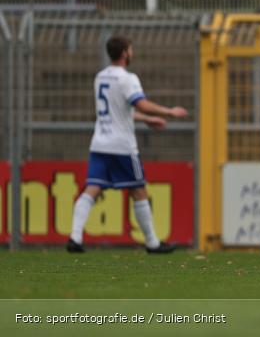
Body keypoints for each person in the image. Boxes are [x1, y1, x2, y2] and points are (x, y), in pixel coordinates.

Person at [67, 36, 188, 254]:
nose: (132, 53)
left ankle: (74, 238)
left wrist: (147, 120)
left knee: (91, 189)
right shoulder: (127, 78)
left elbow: (120, 111)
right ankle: (152, 243)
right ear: (124, 53)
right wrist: (169, 111)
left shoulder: (100, 78)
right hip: (122, 146)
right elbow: (140, 103)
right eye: (131, 49)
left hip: (100, 143)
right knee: (139, 191)